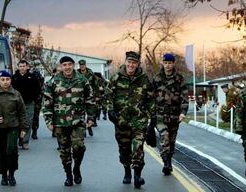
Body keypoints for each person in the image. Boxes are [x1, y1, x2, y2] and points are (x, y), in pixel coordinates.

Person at [43, 56, 95, 186]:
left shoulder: (82, 80)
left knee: (79, 147)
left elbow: (90, 100)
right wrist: (49, 122)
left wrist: (91, 117)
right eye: (64, 65)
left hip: (77, 121)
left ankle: (76, 168)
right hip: (60, 122)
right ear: (61, 66)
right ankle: (68, 175)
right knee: (64, 151)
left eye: (69, 64)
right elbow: (47, 102)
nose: (67, 67)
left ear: (73, 65)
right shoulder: (54, 81)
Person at [107, 51, 154, 189]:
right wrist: (110, 110)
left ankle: (137, 176)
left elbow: (150, 99)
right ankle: (127, 170)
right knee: (124, 150)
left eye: (134, 63)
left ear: (138, 64)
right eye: (129, 62)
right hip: (121, 121)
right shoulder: (116, 78)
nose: (131, 65)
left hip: (139, 120)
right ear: (125, 62)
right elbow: (108, 96)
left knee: (138, 148)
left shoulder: (144, 79)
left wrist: (153, 117)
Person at [0, 70, 27, 186]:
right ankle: (3, 175)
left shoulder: (16, 94)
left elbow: (22, 112)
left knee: (12, 150)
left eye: (7, 79)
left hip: (12, 127)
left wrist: (23, 129)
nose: (5, 82)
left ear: (10, 80)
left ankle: (11, 175)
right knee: (1, 152)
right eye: (3, 80)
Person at [150, 53, 188, 175]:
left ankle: (169, 160)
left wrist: (183, 112)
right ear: (162, 63)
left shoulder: (179, 79)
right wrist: (151, 114)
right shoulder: (156, 79)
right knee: (164, 137)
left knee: (171, 141)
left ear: (173, 64)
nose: (167, 65)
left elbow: (185, 97)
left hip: (174, 117)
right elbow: (151, 97)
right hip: (160, 116)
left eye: (170, 63)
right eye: (165, 63)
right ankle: (166, 162)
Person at [12, 60, 41, 149]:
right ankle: (18, 139)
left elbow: (38, 90)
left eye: (24, 66)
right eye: (20, 66)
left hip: (29, 103)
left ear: (27, 67)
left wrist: (35, 100)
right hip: (16, 104)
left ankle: (25, 141)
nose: (22, 68)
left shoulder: (32, 77)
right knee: (17, 122)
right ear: (18, 67)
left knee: (28, 122)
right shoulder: (14, 77)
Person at [77, 59, 99, 135]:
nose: (82, 66)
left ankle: (89, 127)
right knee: (81, 114)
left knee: (90, 113)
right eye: (81, 65)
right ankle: (83, 130)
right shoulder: (76, 73)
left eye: (83, 65)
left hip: (90, 96)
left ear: (85, 65)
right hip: (80, 96)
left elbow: (96, 85)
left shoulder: (91, 74)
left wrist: (97, 96)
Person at [31, 68, 45, 140]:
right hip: (33, 100)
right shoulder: (32, 78)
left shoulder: (40, 79)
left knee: (35, 116)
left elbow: (42, 90)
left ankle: (34, 131)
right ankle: (34, 132)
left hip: (36, 100)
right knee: (35, 117)